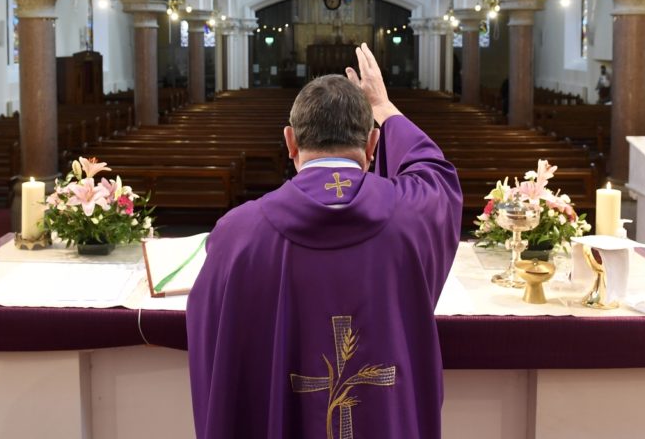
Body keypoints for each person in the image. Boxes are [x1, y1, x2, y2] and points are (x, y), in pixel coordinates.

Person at [187, 43, 463, 439]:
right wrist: (383, 107)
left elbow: (213, 335)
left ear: (290, 142)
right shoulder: (412, 216)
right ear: (372, 144)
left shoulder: (238, 234)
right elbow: (435, 173)